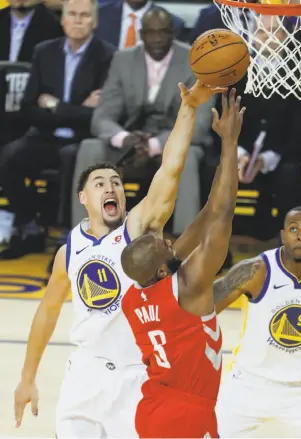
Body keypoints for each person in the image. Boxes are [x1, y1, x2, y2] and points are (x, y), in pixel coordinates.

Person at [13, 79, 225, 438]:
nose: (111, 187)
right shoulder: (70, 251)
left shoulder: (137, 230)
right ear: (83, 197)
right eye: (100, 183)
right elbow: (47, 311)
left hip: (137, 378)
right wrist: (27, 378)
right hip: (84, 374)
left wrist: (189, 109)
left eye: (116, 182)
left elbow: (170, 170)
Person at [120, 89, 245, 438]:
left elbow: (206, 213)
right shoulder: (189, 285)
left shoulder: (134, 297)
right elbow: (222, 215)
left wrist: (221, 177)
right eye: (165, 245)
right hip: (186, 414)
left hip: (152, 409)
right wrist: (230, 141)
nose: (171, 241)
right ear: (163, 270)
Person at [72, 7, 214, 235]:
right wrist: (124, 138)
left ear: (174, 33)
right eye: (151, 32)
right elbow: (102, 117)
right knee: (90, 147)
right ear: (142, 34)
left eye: (164, 32)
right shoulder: (123, 60)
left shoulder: (194, 61)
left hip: (173, 141)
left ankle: (185, 245)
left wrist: (155, 145)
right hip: (130, 141)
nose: (157, 39)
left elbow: (199, 124)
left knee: (187, 156)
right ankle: (86, 235)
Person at [0, 0, 114, 258]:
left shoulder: (107, 56)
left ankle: (68, 240)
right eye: (72, 14)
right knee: (8, 158)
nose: (77, 20)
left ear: (94, 22)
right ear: (62, 19)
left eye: (84, 16)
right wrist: (74, 110)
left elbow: (99, 114)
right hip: (45, 136)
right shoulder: (44, 51)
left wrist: (55, 106)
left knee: (72, 158)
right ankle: (31, 226)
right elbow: (29, 108)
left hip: (84, 141)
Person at [214, 206, 301, 438]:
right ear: (283, 236)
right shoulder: (256, 270)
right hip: (249, 384)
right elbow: (205, 307)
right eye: (294, 229)